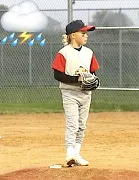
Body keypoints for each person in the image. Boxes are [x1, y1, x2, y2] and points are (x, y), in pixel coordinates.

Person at [51, 20, 100, 166]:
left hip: (85, 94)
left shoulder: (89, 52)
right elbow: (57, 75)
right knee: (72, 123)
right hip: (69, 93)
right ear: (73, 35)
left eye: (86, 34)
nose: (86, 36)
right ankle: (69, 153)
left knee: (82, 124)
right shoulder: (64, 53)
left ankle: (77, 154)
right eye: (83, 33)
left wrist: (94, 81)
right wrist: (76, 80)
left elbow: (93, 72)